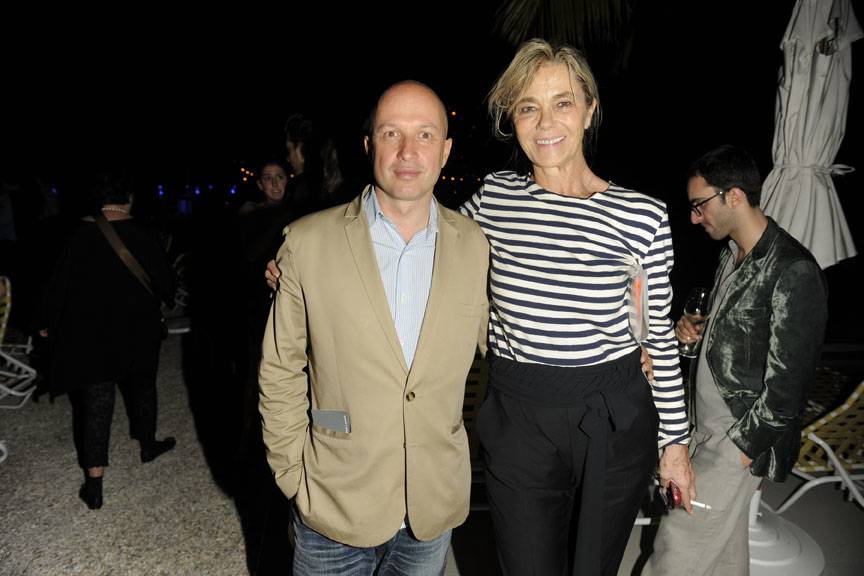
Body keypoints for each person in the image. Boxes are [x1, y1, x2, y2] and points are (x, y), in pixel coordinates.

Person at [460, 39, 693, 575]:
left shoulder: (642, 216)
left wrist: (675, 445)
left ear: (589, 110)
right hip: (519, 415)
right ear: (513, 119)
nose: (545, 122)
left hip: (612, 414)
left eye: (562, 102)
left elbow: (655, 335)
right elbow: (426, 247)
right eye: (528, 106)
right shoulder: (494, 198)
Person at [258, 81, 489, 575]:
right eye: (391, 133)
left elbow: (513, 343)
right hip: (332, 505)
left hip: (431, 507)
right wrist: (293, 474)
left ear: (446, 151)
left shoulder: (476, 246)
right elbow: (279, 369)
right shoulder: (307, 243)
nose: (408, 151)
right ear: (369, 145)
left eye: (425, 135)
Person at [646, 145, 828, 575]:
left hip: (735, 438)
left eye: (699, 205)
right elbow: (735, 340)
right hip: (702, 426)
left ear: (734, 195)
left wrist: (742, 449)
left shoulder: (793, 270)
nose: (694, 218)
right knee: (724, 554)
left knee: (678, 542)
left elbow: (789, 385)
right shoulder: (731, 254)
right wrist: (695, 333)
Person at [41, 172, 176, 510]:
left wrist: (46, 325)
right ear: (128, 198)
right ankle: (147, 445)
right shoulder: (142, 233)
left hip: (91, 334)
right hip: (138, 330)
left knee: (96, 406)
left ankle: (95, 487)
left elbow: (57, 287)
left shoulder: (77, 235)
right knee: (143, 387)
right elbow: (165, 283)